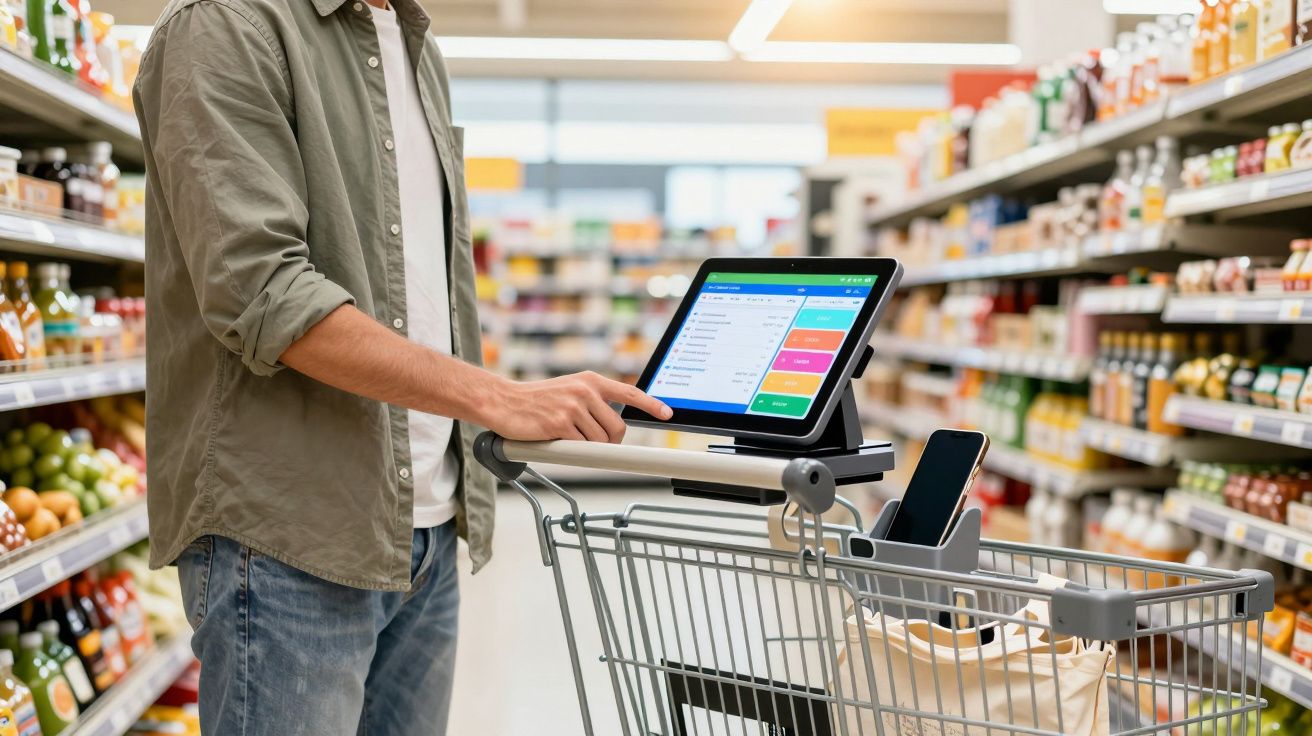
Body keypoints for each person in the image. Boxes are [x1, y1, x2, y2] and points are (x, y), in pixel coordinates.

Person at [132, 0, 672, 732]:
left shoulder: (418, 47)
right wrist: (496, 396)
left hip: (424, 525)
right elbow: (262, 293)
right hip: (291, 533)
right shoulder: (228, 24)